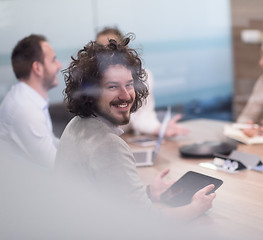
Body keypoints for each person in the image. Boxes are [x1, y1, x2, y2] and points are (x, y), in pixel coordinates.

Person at [56, 36, 215, 221]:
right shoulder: (108, 145)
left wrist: (148, 192)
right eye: (112, 86)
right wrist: (195, 208)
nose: (125, 96)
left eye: (129, 84)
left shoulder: (75, 125)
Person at [96, 27, 188, 137]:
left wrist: (159, 129)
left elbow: (141, 116)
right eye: (101, 49)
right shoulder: (92, 81)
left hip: (123, 137)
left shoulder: (141, 75)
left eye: (112, 47)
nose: (106, 54)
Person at [0, 34, 62, 167]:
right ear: (37, 68)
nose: (59, 65)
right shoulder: (25, 108)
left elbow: (52, 142)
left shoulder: (29, 100)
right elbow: (56, 166)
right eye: (53, 61)